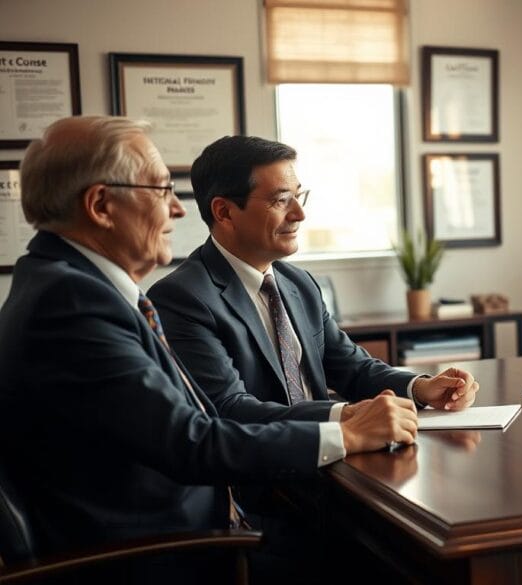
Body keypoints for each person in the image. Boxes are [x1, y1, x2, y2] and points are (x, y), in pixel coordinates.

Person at [0, 116, 418, 583]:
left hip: (183, 529)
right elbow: (193, 440)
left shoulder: (64, 284)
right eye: (162, 191)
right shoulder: (73, 304)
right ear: (100, 205)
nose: (178, 211)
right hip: (163, 554)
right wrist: (347, 433)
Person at [147, 134, 477, 439]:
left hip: (334, 461)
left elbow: (352, 368)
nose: (300, 214)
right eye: (280, 201)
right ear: (224, 212)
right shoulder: (182, 298)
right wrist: (347, 417)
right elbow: (229, 409)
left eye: (298, 196)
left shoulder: (298, 284)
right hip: (263, 481)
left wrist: (421, 387)